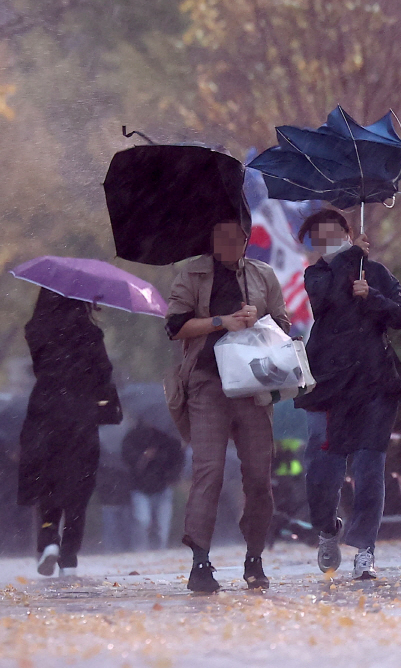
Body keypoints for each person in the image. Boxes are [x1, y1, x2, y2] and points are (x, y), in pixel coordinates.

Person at [166, 220, 291, 593]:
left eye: (237, 238)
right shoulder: (192, 274)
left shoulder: (263, 275)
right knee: (209, 471)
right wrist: (221, 322)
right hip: (207, 383)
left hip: (254, 386)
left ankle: (254, 556)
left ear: (247, 240)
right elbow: (174, 326)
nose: (230, 245)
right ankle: (200, 561)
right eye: (221, 237)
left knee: (257, 474)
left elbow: (283, 324)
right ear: (211, 240)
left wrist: (259, 320)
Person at [294, 208, 401, 580]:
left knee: (368, 467)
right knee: (322, 470)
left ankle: (365, 549)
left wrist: (372, 295)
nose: (327, 239)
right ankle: (327, 528)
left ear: (348, 231)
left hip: (374, 384)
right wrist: (352, 257)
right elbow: (325, 301)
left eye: (334, 232)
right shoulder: (316, 274)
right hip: (328, 385)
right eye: (318, 236)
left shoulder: (376, 274)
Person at [18, 289, 117, 577]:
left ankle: (49, 538)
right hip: (80, 413)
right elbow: (104, 373)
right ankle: (70, 556)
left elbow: (39, 367)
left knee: (47, 478)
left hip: (44, 410)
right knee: (78, 483)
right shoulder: (89, 333)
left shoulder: (36, 330)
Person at [122, 419, 185, 550]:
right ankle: (141, 549)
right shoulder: (133, 437)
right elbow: (127, 459)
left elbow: (177, 459)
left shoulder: (168, 439)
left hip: (162, 486)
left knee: (162, 524)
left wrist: (171, 475)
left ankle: (160, 549)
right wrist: (144, 457)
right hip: (139, 487)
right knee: (142, 521)